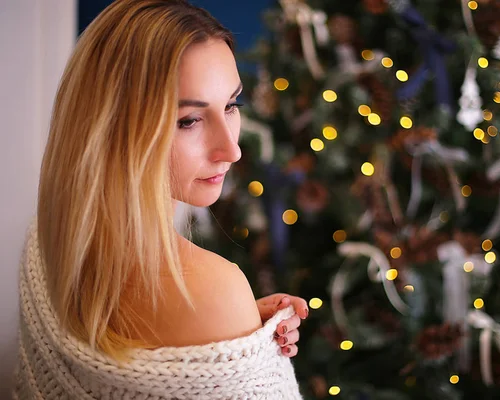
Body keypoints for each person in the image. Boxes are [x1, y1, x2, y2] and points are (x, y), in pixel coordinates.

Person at [14, 0, 306, 398]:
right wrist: (223, 315)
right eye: (189, 120)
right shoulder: (209, 288)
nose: (231, 149)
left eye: (232, 105)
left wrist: (230, 327)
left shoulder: (49, 240)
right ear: (113, 124)